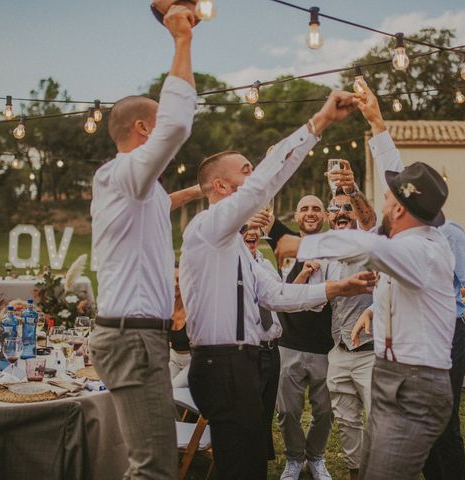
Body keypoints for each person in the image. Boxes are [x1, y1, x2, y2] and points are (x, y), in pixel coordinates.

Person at [179, 90, 376, 480]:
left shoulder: (236, 244)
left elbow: (275, 295)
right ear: (220, 187)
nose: (255, 177)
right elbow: (261, 188)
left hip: (243, 363)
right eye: (246, 170)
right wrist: (318, 122)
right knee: (241, 467)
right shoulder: (207, 228)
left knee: (247, 466)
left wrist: (338, 289)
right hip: (222, 363)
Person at [353, 84, 465, 480]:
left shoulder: (450, 236)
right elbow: (394, 178)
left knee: (442, 431)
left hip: (444, 337)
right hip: (401, 347)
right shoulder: (398, 234)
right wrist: (377, 123)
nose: (389, 200)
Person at [292, 154, 456, 480]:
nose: (381, 204)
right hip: (391, 376)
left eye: (385, 199)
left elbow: (367, 247)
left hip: (414, 387)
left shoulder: (423, 249)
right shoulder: (408, 242)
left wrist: (297, 245)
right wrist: (371, 311)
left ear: (399, 210)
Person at [88, 5, 197, 479]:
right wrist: (181, 41)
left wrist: (194, 193)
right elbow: (177, 125)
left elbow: (155, 206)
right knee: (153, 467)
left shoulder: (136, 191)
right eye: (156, 132)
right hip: (133, 338)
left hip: (132, 334)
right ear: (142, 130)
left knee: (150, 464)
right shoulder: (124, 173)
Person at [263, 194, 336, 480]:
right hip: (289, 343)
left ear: (325, 216)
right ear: (295, 216)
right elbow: (261, 209)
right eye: (304, 208)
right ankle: (294, 458)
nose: (310, 212)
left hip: (326, 347)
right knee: (288, 411)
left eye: (316, 208)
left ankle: (316, 457)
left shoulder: (336, 248)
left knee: (325, 412)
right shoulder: (285, 243)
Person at [323, 177, 377, 480]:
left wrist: (353, 191)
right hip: (339, 352)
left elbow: (369, 220)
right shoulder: (325, 254)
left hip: (371, 352)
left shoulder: (370, 244)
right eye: (335, 209)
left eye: (348, 208)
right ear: (329, 217)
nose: (341, 212)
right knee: (345, 420)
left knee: (379, 419)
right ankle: (356, 471)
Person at [241, 222, 284, 464]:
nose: (253, 232)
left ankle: (259, 460)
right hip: (249, 352)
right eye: (247, 226)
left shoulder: (266, 265)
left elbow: (280, 296)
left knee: (266, 409)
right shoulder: (232, 268)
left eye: (256, 227)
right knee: (250, 412)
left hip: (271, 349)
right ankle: (247, 462)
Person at [170, 264, 191, 387]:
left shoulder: (191, 308)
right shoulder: (165, 308)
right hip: (173, 360)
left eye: (178, 279)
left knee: (173, 389)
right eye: (172, 279)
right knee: (162, 388)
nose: (175, 284)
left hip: (192, 362)